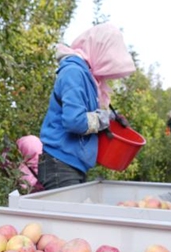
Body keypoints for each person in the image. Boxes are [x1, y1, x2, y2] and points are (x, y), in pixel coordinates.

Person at [37, 23, 136, 190]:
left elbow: (85, 112)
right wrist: (104, 119)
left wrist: (111, 117)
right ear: (99, 52)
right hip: (60, 164)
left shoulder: (87, 77)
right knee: (68, 216)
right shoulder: (74, 73)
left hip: (70, 164)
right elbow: (75, 121)